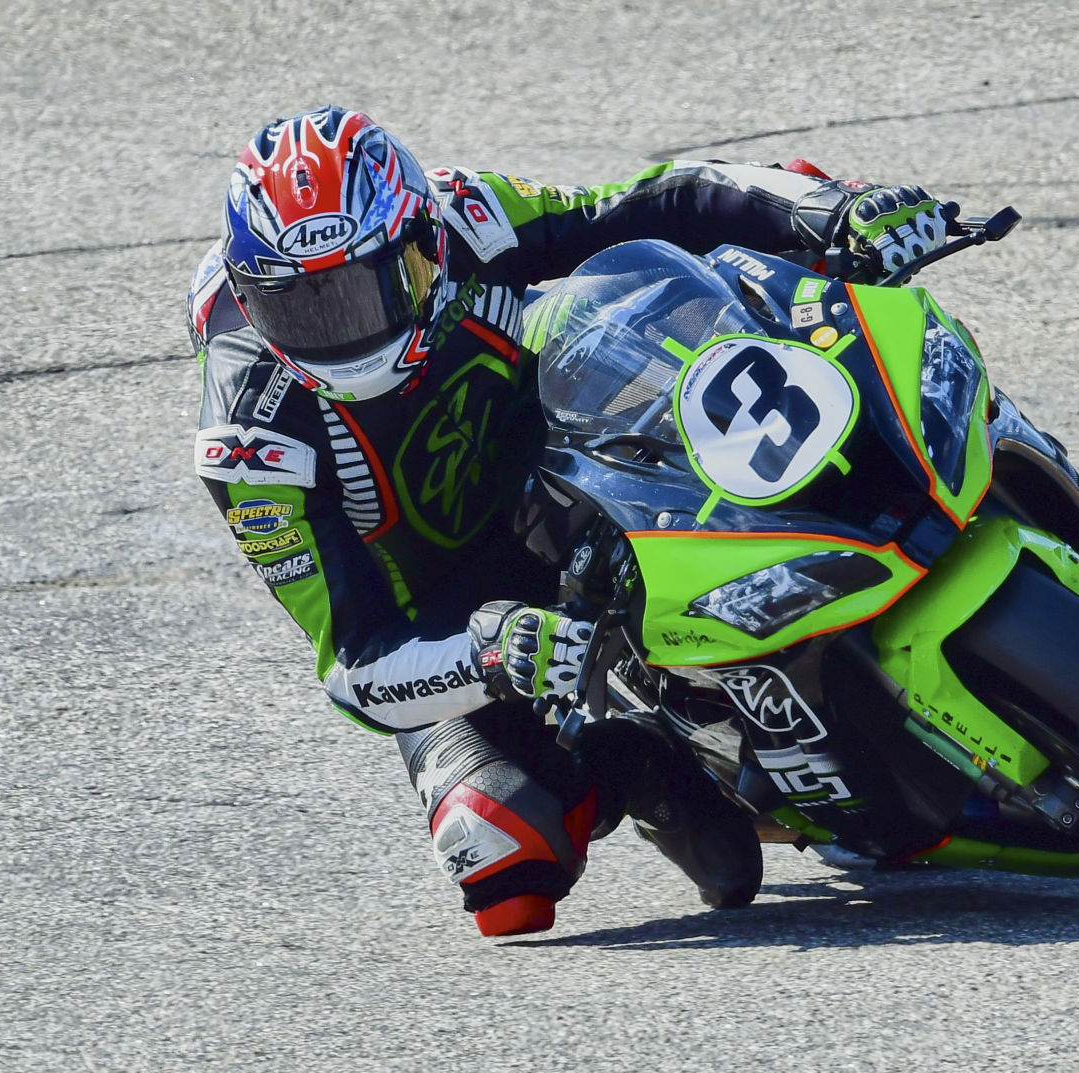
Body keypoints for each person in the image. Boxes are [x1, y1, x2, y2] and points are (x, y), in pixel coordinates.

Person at [189, 105, 951, 936]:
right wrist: (488, 651)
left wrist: (830, 208)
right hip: (456, 620)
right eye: (301, 309)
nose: (339, 332)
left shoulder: (464, 213)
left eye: (358, 293)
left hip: (569, 470)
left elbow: (652, 205)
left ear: (421, 243)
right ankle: (627, 765)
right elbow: (355, 666)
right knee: (503, 864)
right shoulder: (250, 439)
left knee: (760, 278)